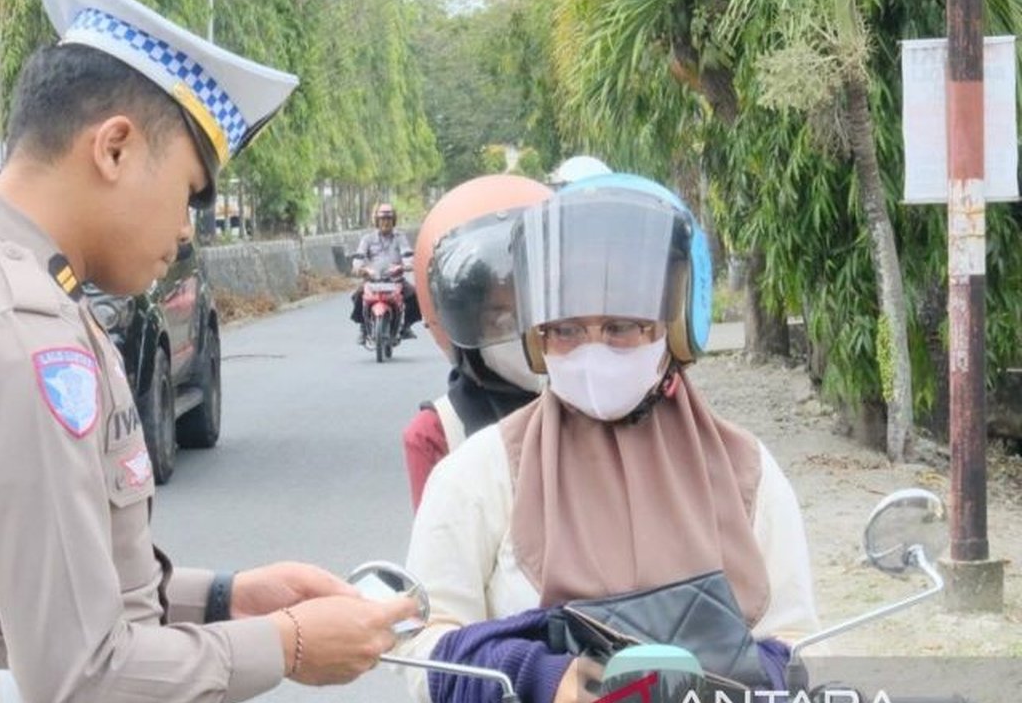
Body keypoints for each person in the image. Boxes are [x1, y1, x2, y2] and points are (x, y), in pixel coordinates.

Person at [0, 0, 414, 702]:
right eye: (187, 192)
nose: (186, 228)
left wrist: (230, 599)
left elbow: (62, 594)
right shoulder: (19, 332)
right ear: (115, 147)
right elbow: (82, 676)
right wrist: (289, 645)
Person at [395, 175, 819, 703]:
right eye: (566, 329)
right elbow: (421, 652)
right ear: (536, 334)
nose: (592, 351)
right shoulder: (477, 475)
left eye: (621, 326)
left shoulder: (749, 474)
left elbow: (801, 644)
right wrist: (544, 677)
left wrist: (732, 684)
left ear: (675, 325)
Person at [402, 174, 553, 510]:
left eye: (535, 313)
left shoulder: (602, 406)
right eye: (498, 320)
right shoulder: (439, 432)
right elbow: (437, 554)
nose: (522, 333)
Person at [350, 202, 420, 342]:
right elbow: (359, 256)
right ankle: (363, 328)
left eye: (388, 219)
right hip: (373, 280)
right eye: (382, 219)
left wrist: (406, 265)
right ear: (377, 221)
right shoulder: (367, 239)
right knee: (357, 296)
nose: (385, 223)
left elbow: (407, 254)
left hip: (395, 280)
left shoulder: (400, 237)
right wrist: (360, 268)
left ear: (393, 220)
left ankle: (406, 326)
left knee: (413, 295)